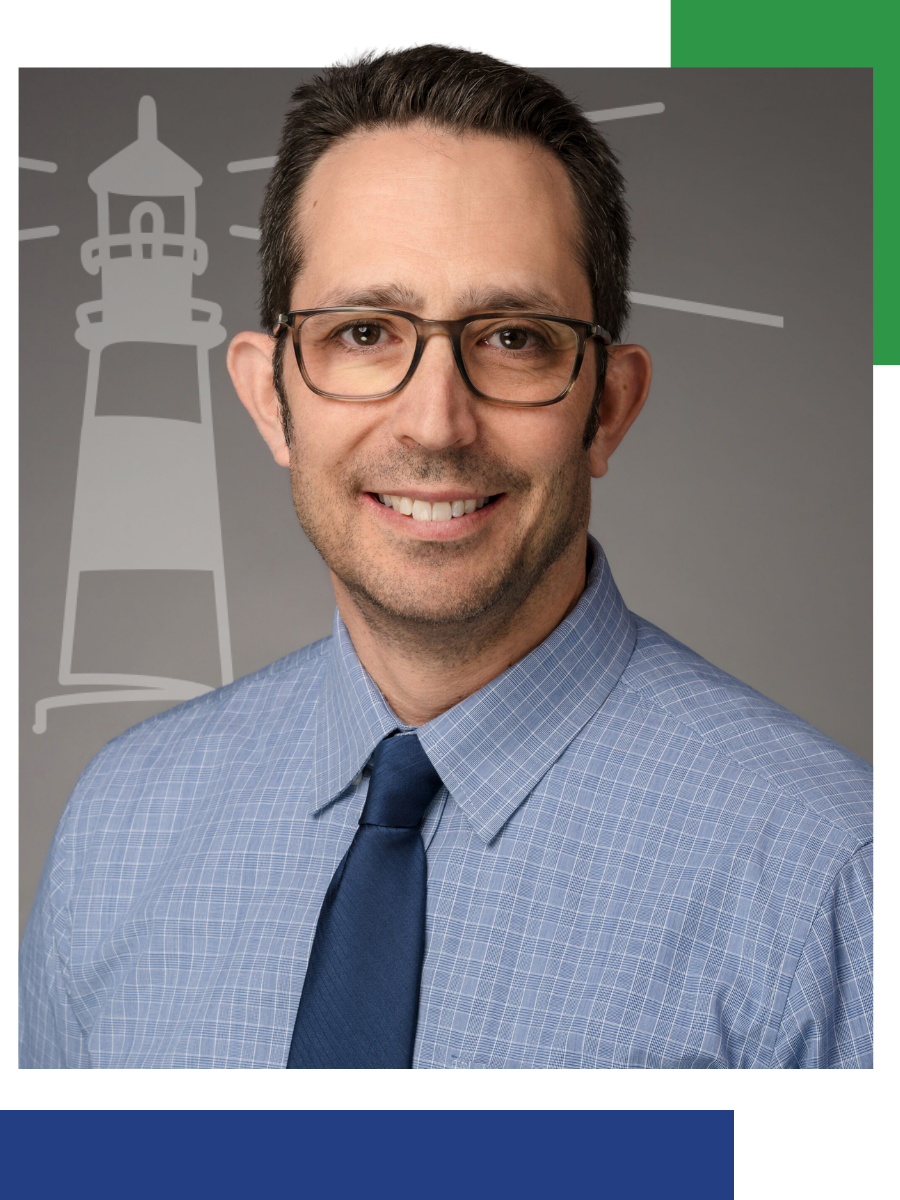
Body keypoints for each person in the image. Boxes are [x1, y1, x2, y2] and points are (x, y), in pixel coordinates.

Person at [19, 47, 873, 1069]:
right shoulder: (120, 830)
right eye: (365, 331)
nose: (436, 423)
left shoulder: (826, 876)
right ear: (268, 397)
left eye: (514, 337)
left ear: (608, 405)